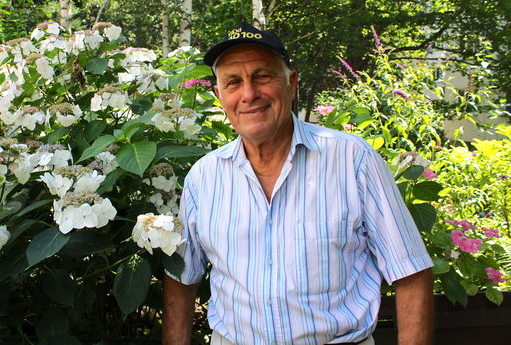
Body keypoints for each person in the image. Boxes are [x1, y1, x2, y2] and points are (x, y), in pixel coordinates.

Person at [162, 23, 434, 345]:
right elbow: (182, 277)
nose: (249, 94)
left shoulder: (352, 160)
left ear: (291, 83)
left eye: (263, 76)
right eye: (233, 82)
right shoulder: (203, 179)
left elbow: (411, 274)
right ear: (219, 96)